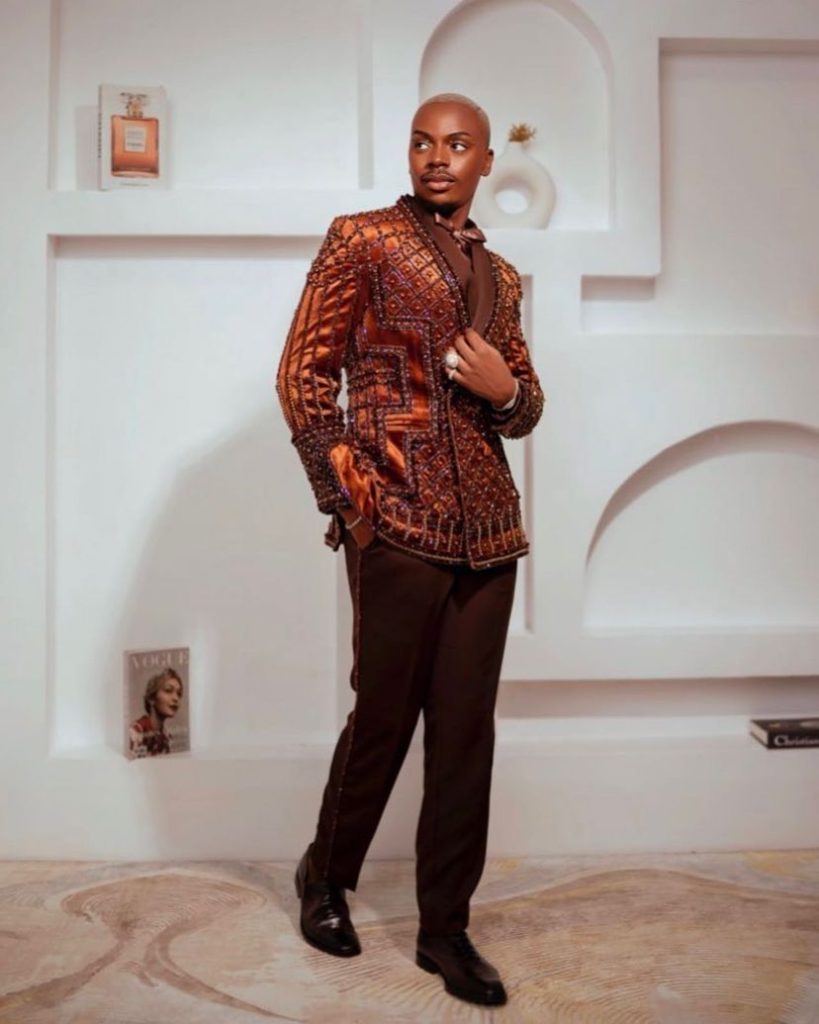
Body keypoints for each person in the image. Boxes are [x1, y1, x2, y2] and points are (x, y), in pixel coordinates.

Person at [275, 92, 544, 1007]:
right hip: (392, 519)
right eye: (423, 142)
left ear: (484, 162)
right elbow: (302, 375)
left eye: (458, 144)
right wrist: (350, 503)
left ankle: (445, 930)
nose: (437, 157)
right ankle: (325, 875)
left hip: (490, 534)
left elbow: (527, 405)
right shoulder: (362, 239)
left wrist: (505, 391)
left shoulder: (502, 276)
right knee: (383, 716)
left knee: (465, 733)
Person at [128, 667, 183, 758]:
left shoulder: (167, 738)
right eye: (168, 690)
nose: (176, 698)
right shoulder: (135, 731)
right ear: (151, 699)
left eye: (179, 693)